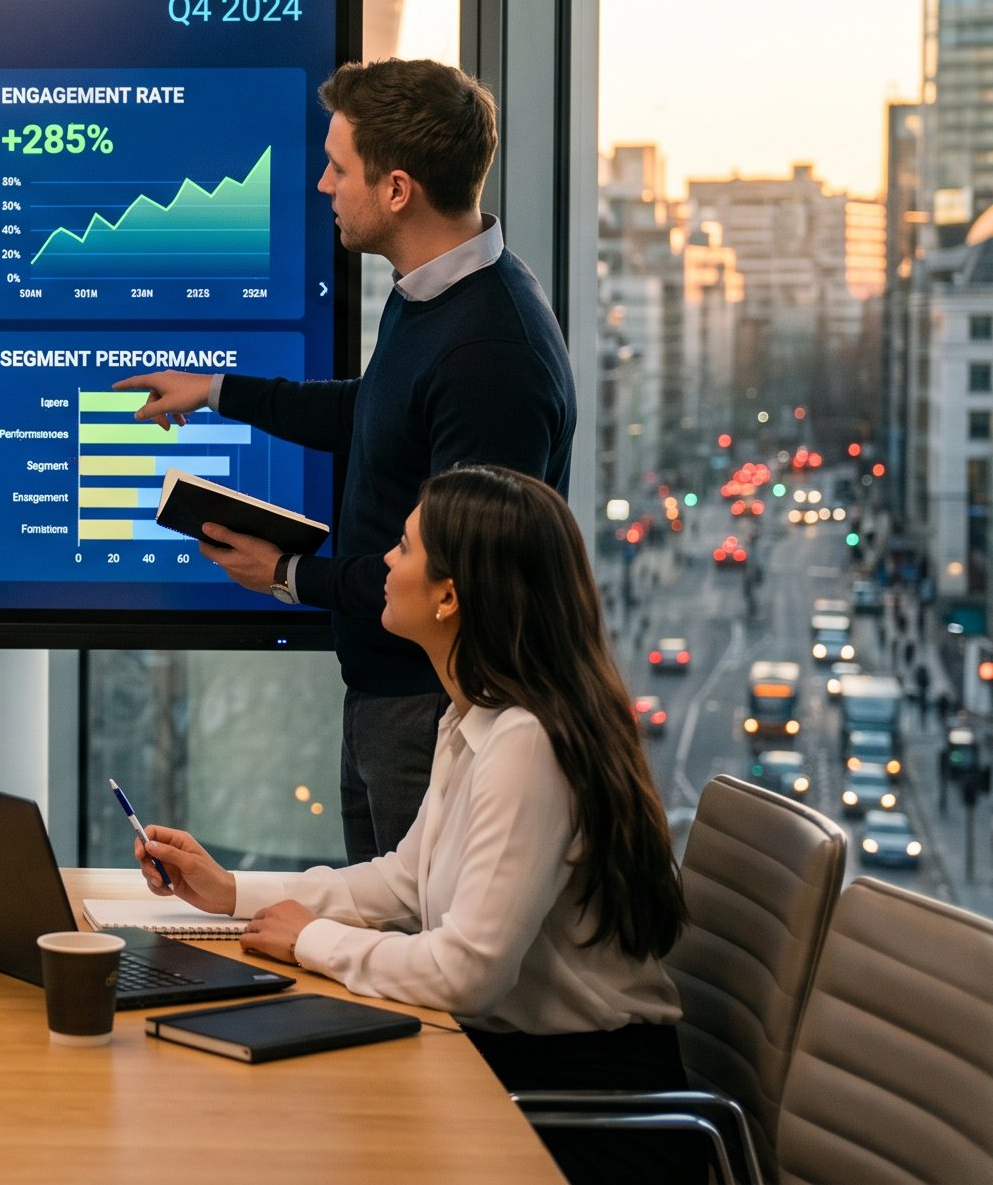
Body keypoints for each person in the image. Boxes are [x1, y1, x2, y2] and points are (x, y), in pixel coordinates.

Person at [132, 466, 689, 1185]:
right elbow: (400, 883)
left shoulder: (529, 743)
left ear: (449, 596)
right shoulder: (476, 718)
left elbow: (467, 975)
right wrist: (230, 891)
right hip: (510, 1071)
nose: (385, 564)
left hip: (581, 1115)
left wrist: (311, 939)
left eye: (402, 548)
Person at [116, 59, 575, 863]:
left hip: (435, 713)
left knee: (412, 935)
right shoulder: (431, 293)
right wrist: (217, 391)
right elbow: (375, 410)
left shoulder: (492, 353)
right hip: (387, 698)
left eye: (338, 167)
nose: (323, 185)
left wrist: (288, 575)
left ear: (397, 190)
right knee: (377, 920)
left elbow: (456, 579)